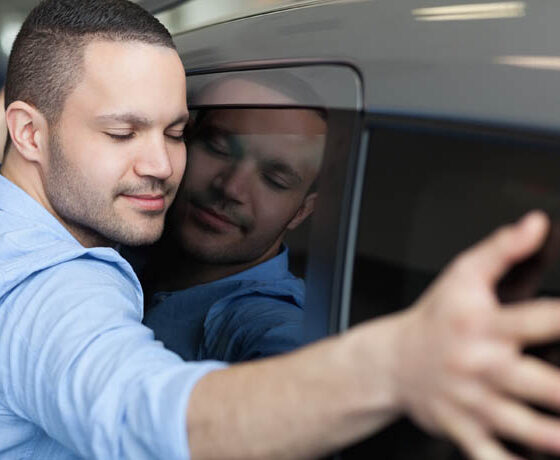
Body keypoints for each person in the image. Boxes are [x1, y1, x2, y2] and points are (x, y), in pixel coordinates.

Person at [3, 1, 560, 459]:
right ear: (28, 133)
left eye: (175, 133)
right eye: (123, 133)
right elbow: (139, 413)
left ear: (304, 210)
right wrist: (393, 365)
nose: (162, 165)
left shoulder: (265, 317)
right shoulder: (55, 283)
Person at [142, 76, 326, 362]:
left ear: (302, 210)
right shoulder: (130, 236)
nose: (231, 188)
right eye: (218, 149)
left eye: (274, 180)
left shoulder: (272, 318)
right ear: (182, 140)